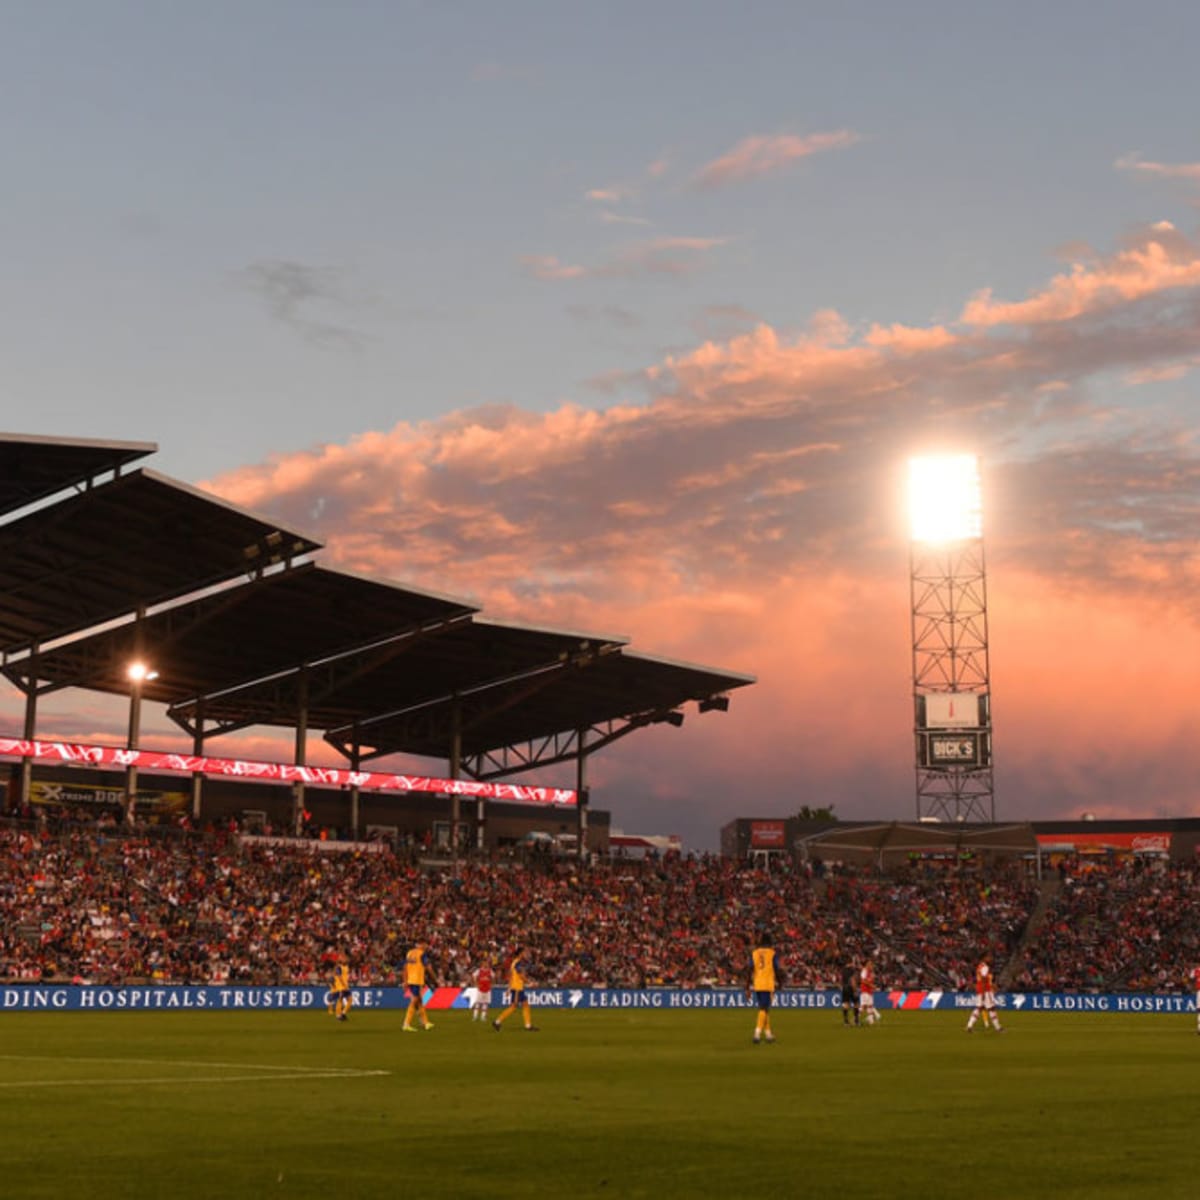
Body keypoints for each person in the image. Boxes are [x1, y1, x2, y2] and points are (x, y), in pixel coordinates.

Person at [493, 946, 539, 1032]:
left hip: (516, 987)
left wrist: (509, 988)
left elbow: (512, 977)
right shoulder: (518, 963)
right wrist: (530, 982)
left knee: (524, 1005)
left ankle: (528, 1025)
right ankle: (497, 1021)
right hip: (517, 988)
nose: (526, 954)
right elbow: (521, 976)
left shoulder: (514, 963)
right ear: (521, 953)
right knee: (514, 1007)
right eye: (524, 952)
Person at [748, 930, 778, 1044]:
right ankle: (757, 1033)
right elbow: (777, 968)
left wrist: (747, 986)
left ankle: (768, 1034)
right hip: (767, 984)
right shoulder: (772, 953)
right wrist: (780, 981)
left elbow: (749, 969)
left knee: (765, 1009)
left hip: (757, 984)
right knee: (763, 1009)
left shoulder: (755, 953)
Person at [402, 940, 435, 1033]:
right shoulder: (422, 954)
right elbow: (428, 967)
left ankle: (425, 1023)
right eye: (425, 944)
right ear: (421, 944)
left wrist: (405, 981)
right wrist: (435, 979)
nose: (426, 946)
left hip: (410, 980)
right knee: (414, 1001)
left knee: (419, 1001)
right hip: (416, 980)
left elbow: (405, 967)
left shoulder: (409, 953)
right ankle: (406, 1024)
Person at [966, 957, 1003, 1033]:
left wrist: (992, 986)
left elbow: (983, 979)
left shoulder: (980, 966)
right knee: (991, 1008)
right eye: (988, 957)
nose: (990, 959)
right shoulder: (985, 967)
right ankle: (998, 1027)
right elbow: (983, 978)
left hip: (980, 989)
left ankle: (969, 1025)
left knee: (979, 1008)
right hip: (985, 990)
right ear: (984, 958)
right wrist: (985, 991)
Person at [328, 955, 351, 1022]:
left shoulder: (346, 967)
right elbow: (339, 976)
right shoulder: (339, 967)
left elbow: (345, 976)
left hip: (345, 985)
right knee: (340, 1000)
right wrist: (343, 984)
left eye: (346, 959)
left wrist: (346, 983)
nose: (346, 960)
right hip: (341, 986)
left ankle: (343, 1013)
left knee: (350, 999)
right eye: (344, 959)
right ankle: (338, 1015)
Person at [858, 959, 880, 1025]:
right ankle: (856, 1018)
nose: (871, 965)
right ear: (867, 964)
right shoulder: (864, 971)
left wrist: (873, 987)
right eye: (870, 964)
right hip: (865, 991)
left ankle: (871, 1021)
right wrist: (871, 985)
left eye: (872, 964)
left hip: (869, 991)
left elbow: (871, 980)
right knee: (864, 1006)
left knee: (870, 1006)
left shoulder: (871, 972)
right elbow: (862, 981)